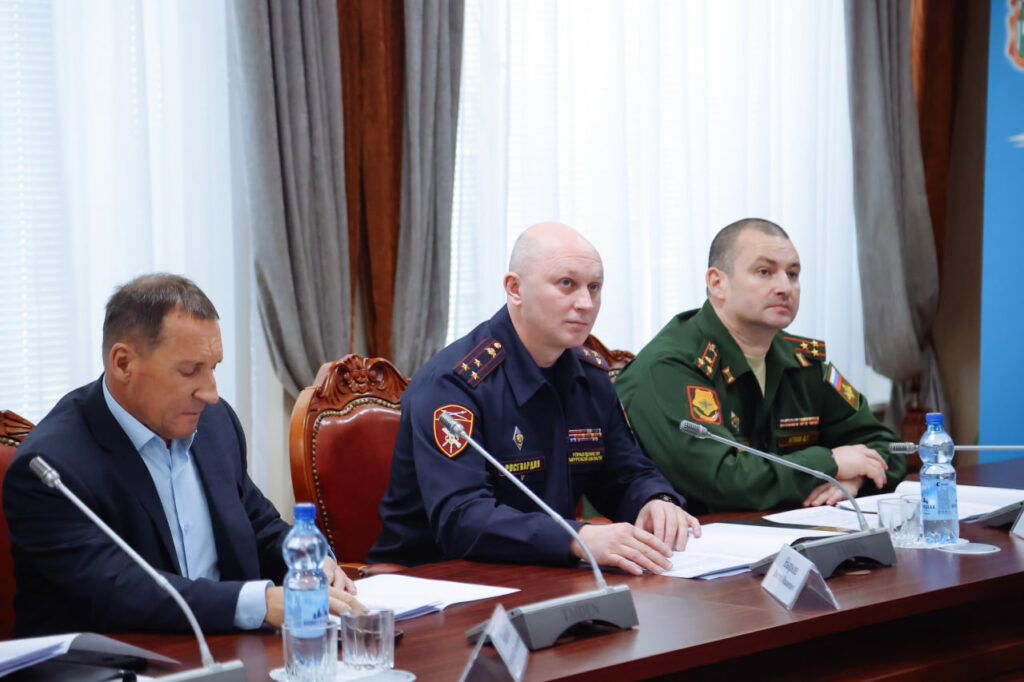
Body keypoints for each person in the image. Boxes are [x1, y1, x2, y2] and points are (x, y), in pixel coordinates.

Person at [2, 274, 363, 636]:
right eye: (190, 371)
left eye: (213, 368)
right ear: (123, 364)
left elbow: (257, 524)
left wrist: (311, 560)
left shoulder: (214, 423)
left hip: (229, 650)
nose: (210, 393)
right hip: (117, 658)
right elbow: (119, 591)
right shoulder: (51, 467)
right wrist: (261, 602)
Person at [368, 222, 701, 576]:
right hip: (435, 580)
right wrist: (576, 537)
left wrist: (655, 500)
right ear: (515, 289)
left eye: (594, 287)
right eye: (567, 284)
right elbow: (462, 519)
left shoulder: (590, 376)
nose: (586, 303)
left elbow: (625, 472)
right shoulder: (454, 384)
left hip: (544, 572)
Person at [615, 218, 905, 514]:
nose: (785, 287)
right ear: (717, 283)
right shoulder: (670, 366)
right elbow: (724, 481)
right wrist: (829, 464)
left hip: (791, 529)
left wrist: (855, 480)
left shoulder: (803, 362)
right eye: (764, 272)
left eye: (793, 274)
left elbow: (888, 446)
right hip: (698, 536)